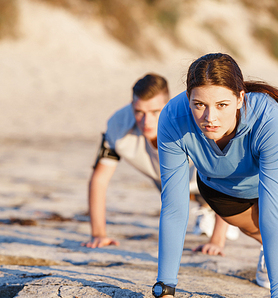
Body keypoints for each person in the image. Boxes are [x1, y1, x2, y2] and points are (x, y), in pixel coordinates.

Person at [135, 53, 278, 298]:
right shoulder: (173, 116)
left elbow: (272, 209)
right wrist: (165, 292)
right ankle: (272, 253)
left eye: (222, 104)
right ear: (187, 98)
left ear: (240, 98)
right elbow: (174, 206)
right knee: (252, 227)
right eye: (199, 104)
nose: (210, 117)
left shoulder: (266, 115)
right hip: (222, 188)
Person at [82, 73, 238, 250]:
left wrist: (216, 242)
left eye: (155, 112)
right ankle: (206, 207)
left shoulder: (195, 120)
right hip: (167, 180)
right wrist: (98, 234)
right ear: (132, 106)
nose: (146, 121)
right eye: (139, 112)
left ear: (168, 105)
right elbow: (99, 179)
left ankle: (217, 213)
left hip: (213, 181)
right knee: (172, 190)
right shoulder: (118, 124)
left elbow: (225, 178)